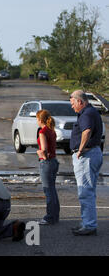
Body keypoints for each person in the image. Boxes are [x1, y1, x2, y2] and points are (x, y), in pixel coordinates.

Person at [69, 90, 103, 236]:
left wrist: (80, 150)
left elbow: (87, 131)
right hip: (92, 153)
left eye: (72, 104)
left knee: (85, 192)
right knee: (88, 191)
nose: (72, 107)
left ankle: (89, 225)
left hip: (87, 156)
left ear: (80, 102)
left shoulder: (87, 113)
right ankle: (87, 222)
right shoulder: (91, 112)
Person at [36, 109, 60, 225]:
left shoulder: (43, 131)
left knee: (48, 190)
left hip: (47, 163)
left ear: (40, 120)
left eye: (37, 119)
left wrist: (39, 153)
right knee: (52, 189)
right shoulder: (52, 130)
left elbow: (44, 150)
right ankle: (55, 215)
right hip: (54, 161)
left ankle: (49, 217)